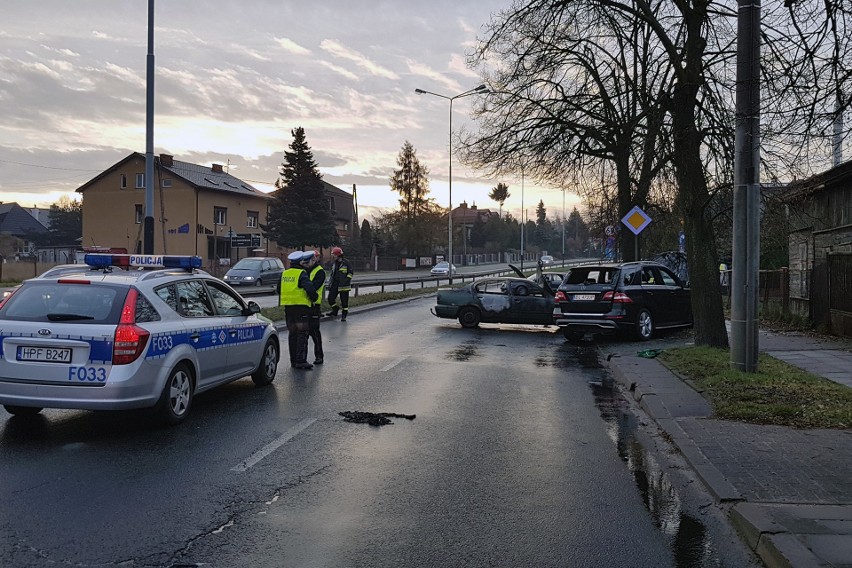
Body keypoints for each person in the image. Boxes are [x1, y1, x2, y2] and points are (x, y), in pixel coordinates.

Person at [280, 250, 318, 369]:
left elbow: (278, 289)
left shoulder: (284, 274)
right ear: (301, 262)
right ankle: (301, 361)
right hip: (301, 308)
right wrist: (314, 298)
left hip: (288, 308)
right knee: (302, 333)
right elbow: (310, 289)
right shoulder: (302, 273)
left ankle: (293, 360)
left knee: (292, 334)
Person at [306, 250, 325, 365]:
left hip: (314, 305)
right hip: (304, 305)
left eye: (313, 258)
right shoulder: (304, 270)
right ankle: (301, 358)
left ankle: (319, 356)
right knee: (303, 334)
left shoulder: (320, 272)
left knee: (314, 332)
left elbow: (313, 287)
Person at [326, 246, 354, 321]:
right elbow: (332, 274)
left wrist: (346, 280)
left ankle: (344, 315)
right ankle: (335, 309)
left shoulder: (346, 262)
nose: (333, 256)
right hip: (335, 284)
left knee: (344, 302)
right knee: (330, 298)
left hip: (344, 286)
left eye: (334, 255)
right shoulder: (334, 264)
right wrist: (330, 283)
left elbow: (351, 273)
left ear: (338, 255)